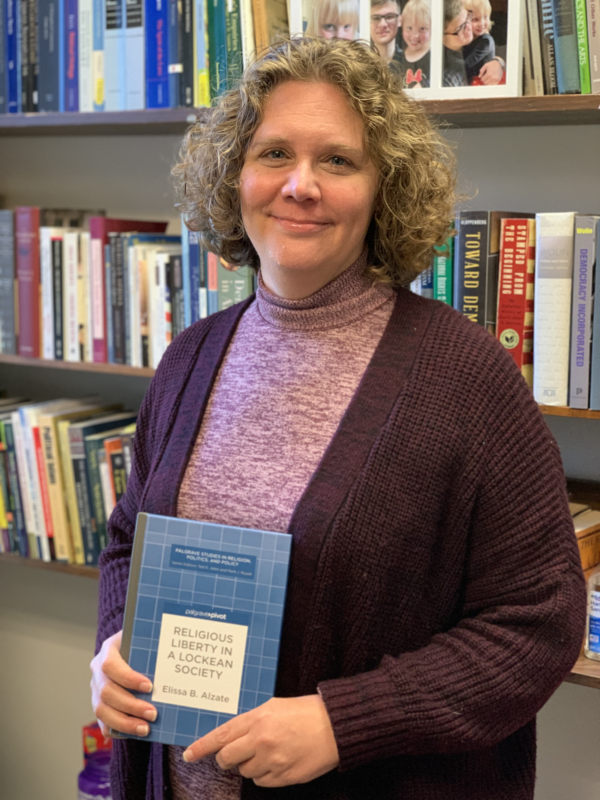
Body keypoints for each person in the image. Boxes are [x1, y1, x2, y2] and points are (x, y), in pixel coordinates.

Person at [91, 36, 586, 800]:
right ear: (235, 177)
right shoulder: (191, 358)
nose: (300, 185)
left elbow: (539, 621)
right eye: (275, 153)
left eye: (338, 161)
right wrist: (115, 647)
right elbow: (130, 536)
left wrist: (341, 722)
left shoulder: (464, 376)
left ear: (384, 188)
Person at [463, 0, 505, 84]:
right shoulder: (469, 39)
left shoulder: (486, 41)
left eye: (485, 17)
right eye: (475, 19)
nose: (482, 23)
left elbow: (468, 64)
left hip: (482, 83)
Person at [394, 0, 431, 88]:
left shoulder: (434, 57)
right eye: (409, 28)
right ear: (402, 27)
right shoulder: (397, 59)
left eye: (422, 29)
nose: (415, 36)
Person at [443, 0, 471, 85]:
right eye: (461, 28)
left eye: (468, 17)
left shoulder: (477, 41)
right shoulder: (447, 76)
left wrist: (499, 62)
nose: (469, 28)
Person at [370, 0, 403, 66]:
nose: (383, 24)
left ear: (400, 20)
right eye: (376, 18)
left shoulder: (410, 63)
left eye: (389, 16)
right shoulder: (359, 64)